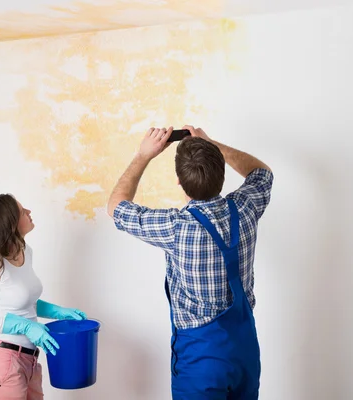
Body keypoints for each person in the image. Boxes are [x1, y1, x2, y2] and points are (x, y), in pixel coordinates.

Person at [107, 125, 273, 399]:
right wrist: (213, 145)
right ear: (220, 170)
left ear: (179, 181)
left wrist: (143, 155)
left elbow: (116, 206)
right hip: (245, 355)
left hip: (201, 361)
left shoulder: (177, 228)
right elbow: (262, 173)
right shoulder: (245, 208)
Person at [0, 194, 87, 400]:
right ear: (9, 224)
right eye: (21, 211)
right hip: (1, 364)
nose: (29, 212)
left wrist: (57, 312)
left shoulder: (25, 252)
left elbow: (21, 302)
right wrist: (25, 326)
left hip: (28, 361)